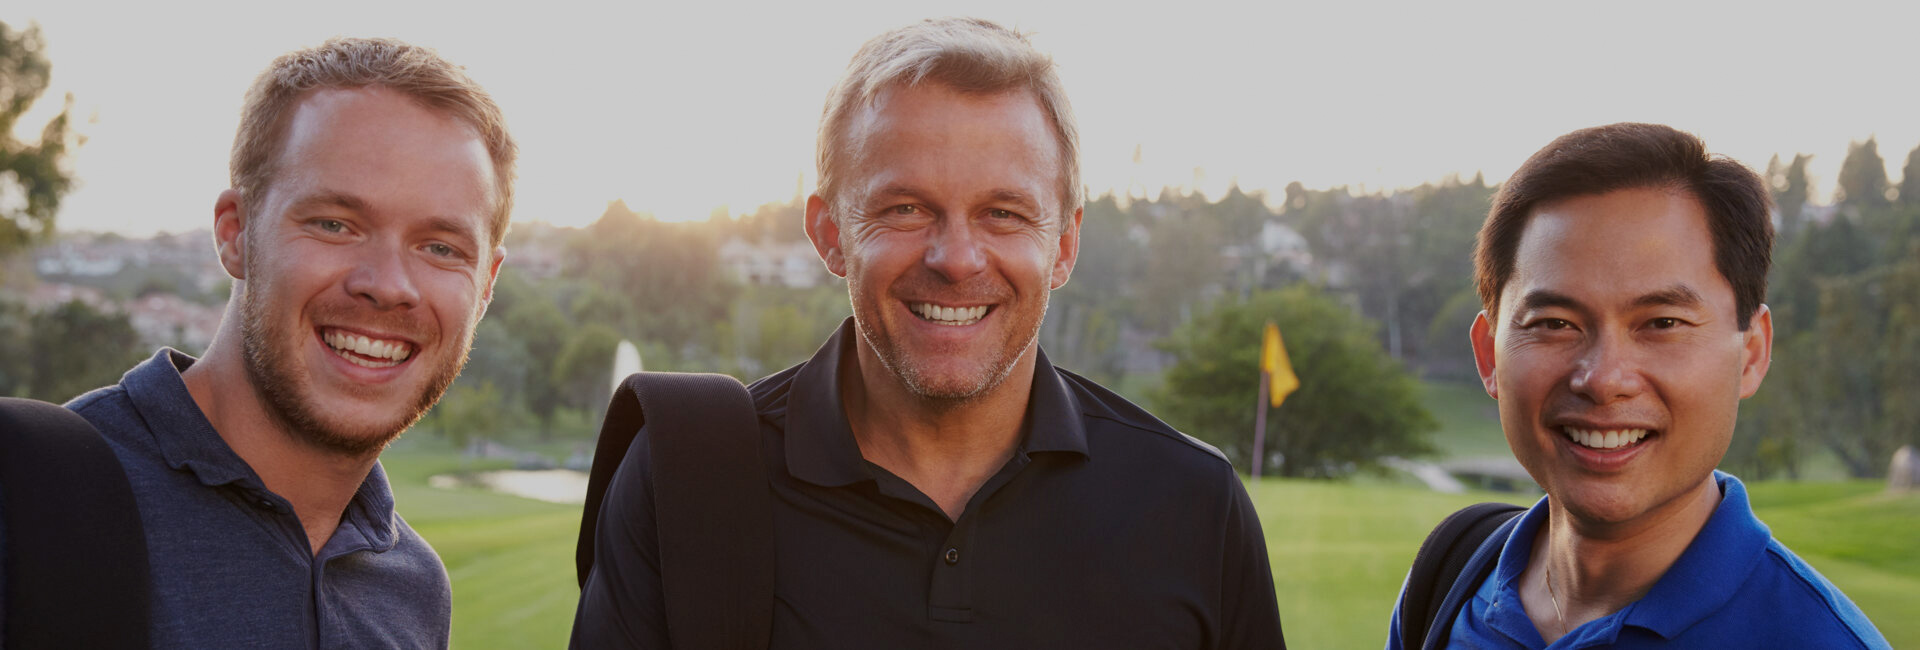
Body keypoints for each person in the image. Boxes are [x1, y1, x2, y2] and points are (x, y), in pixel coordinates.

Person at [572, 17, 1286, 648]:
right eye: (907, 208)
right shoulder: (687, 484)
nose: (955, 260)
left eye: (1003, 213)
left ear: (1064, 246)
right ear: (830, 234)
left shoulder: (1195, 505)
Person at [62, 37, 515, 648]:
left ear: (486, 284)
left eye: (441, 247)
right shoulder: (37, 501)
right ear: (235, 233)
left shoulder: (413, 589)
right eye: (334, 224)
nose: (387, 286)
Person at [1387, 123, 1890, 649]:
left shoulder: (1816, 639)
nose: (1604, 380)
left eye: (1663, 323)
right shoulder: (1451, 580)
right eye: (1556, 323)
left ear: (1752, 353)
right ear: (1489, 354)